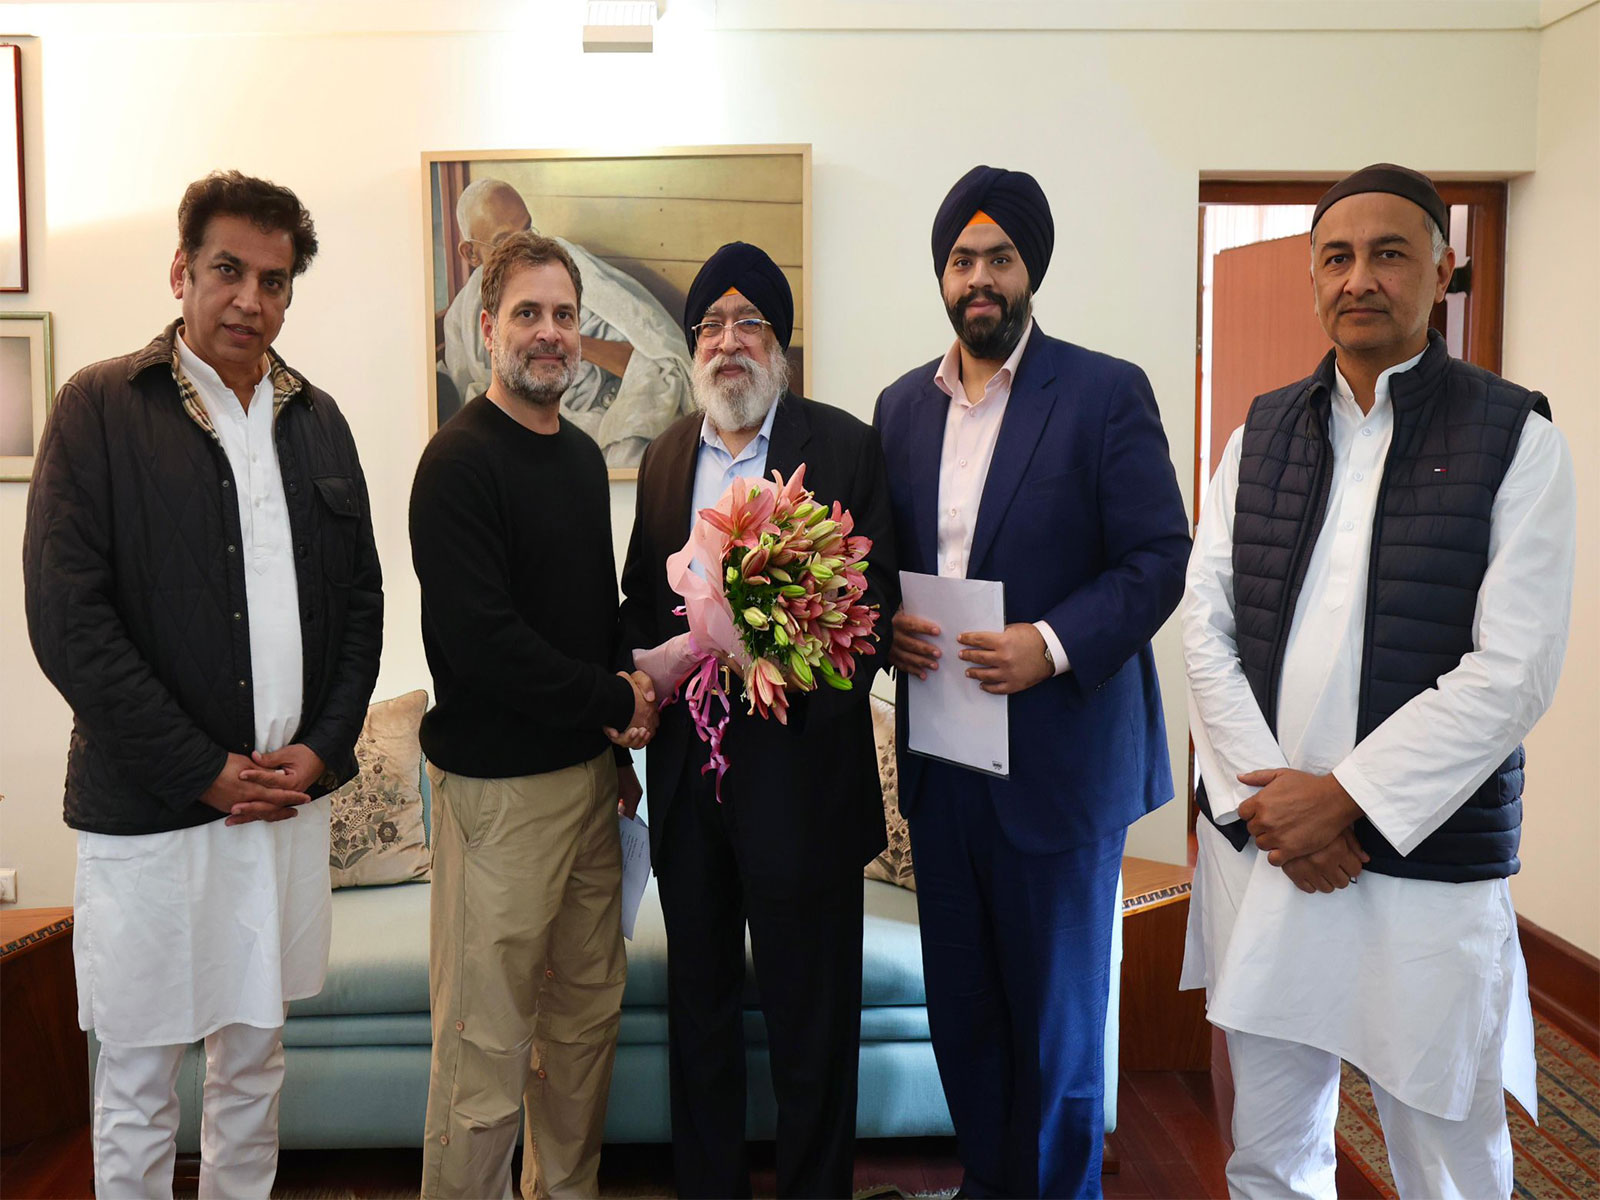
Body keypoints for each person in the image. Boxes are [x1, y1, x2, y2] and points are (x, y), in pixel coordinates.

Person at [1180, 163, 1576, 1199]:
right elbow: (1203, 626)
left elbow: (1514, 671)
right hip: (1270, 856)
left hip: (1422, 864)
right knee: (1270, 1152)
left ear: (1441, 268)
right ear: (1313, 278)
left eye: (1390, 252)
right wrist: (1278, 805)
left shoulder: (1516, 438)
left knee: (1444, 1159)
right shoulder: (1255, 435)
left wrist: (1342, 800)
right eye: (1337, 256)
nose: (1360, 277)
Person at [22, 170, 383, 1199]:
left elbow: (361, 606)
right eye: (227, 270)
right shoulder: (98, 407)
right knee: (137, 1078)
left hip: (281, 807)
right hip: (148, 812)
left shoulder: (317, 421)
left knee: (252, 1067)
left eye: (274, 281)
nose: (249, 300)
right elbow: (67, 622)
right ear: (181, 272)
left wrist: (324, 749)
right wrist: (202, 770)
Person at [873, 165, 1191, 1197]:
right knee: (964, 1024)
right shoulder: (898, 409)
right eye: (961, 259)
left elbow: (1157, 557)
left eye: (998, 258)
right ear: (941, 274)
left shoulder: (1102, 393)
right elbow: (876, 567)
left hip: (1058, 776)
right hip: (946, 771)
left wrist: (1047, 642)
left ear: (1029, 271)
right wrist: (886, 632)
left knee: (1057, 1043)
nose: (979, 278)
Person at [618, 241, 898, 1197]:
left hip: (807, 788)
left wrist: (775, 651)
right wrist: (640, 682)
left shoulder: (846, 445)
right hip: (693, 795)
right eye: (710, 326)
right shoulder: (662, 460)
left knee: (811, 1030)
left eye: (749, 325)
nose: (727, 343)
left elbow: (877, 615)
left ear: (781, 349)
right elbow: (635, 610)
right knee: (699, 1019)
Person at [410, 230, 659, 1199]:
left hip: (591, 792)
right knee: (484, 1058)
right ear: (487, 329)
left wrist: (620, 748)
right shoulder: (459, 463)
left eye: (564, 315)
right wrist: (613, 700)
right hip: (498, 805)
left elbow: (588, 620)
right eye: (528, 314)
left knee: (583, 1032)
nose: (550, 333)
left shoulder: (582, 460)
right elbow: (485, 643)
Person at [439, 177, 693, 465]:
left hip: (601, 410)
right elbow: (472, 396)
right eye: (504, 241)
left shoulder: (564, 267)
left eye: (527, 230)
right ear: (471, 253)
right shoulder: (462, 317)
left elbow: (652, 352)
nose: (523, 250)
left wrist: (567, 341)